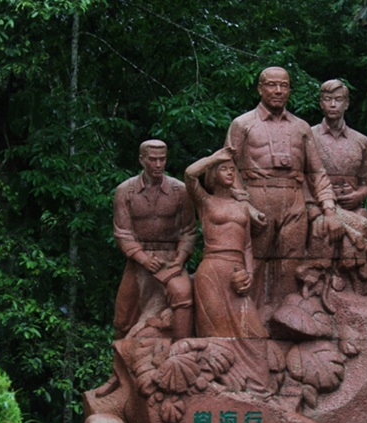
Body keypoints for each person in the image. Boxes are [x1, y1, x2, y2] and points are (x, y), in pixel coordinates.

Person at [224, 67, 340, 311]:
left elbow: (317, 172)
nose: (278, 90)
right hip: (257, 198)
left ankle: (284, 322)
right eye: (271, 85)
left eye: (284, 85)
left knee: (290, 265)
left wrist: (329, 210)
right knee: (252, 264)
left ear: (289, 89)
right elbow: (227, 168)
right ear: (260, 88)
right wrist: (244, 205)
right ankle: (247, 322)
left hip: (294, 202)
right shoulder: (242, 124)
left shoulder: (301, 127)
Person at [111, 139, 196, 339]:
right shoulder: (126, 191)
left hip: (171, 259)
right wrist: (143, 259)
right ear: (142, 160)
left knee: (183, 296)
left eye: (162, 159)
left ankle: (182, 350)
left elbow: (189, 231)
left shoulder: (180, 190)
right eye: (153, 160)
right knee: (123, 320)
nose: (158, 165)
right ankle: (124, 363)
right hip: (139, 260)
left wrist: (180, 258)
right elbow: (122, 233)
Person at [184, 147, 267, 339]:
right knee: (214, 333)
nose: (230, 172)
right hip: (212, 270)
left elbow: (247, 245)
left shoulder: (242, 207)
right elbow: (189, 175)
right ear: (213, 173)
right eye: (224, 168)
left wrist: (250, 274)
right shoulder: (206, 202)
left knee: (255, 334)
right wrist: (214, 158)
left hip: (237, 271)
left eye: (232, 169)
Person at [311, 79, 367, 217]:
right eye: (327, 99)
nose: (333, 105)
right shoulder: (309, 136)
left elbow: (366, 181)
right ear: (321, 103)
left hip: (353, 209)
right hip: (319, 208)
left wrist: (358, 196)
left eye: (338, 99)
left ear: (346, 104)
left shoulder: (360, 140)